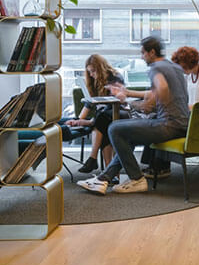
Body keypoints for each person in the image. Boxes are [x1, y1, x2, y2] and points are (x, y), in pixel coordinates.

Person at [80, 36, 190, 194]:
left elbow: (162, 89)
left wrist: (145, 104)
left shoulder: (156, 68)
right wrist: (127, 93)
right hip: (183, 125)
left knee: (114, 128)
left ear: (152, 52)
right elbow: (156, 91)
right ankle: (104, 179)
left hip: (167, 125)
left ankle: (136, 178)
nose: (142, 57)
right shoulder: (174, 68)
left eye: (143, 53)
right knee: (126, 134)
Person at [64, 54, 124, 174]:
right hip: (103, 117)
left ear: (100, 68)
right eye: (89, 72)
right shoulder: (94, 81)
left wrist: (88, 121)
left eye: (93, 71)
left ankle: (93, 158)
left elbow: (115, 102)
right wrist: (78, 120)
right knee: (103, 126)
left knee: (101, 119)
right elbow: (89, 103)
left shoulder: (115, 77)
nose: (91, 74)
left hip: (118, 112)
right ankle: (108, 171)